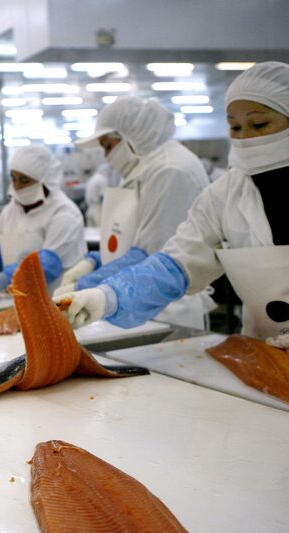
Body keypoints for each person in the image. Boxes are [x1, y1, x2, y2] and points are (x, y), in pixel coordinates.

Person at [54, 62, 289, 346]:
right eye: (235, 127)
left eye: (259, 124)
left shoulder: (171, 170)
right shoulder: (225, 194)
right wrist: (108, 297)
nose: (244, 138)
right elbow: (176, 263)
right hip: (265, 345)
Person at [54, 95, 210, 328]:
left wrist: (86, 284)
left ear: (134, 135)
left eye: (108, 146)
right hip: (132, 298)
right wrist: (95, 261)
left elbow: (155, 253)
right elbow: (133, 240)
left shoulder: (170, 170)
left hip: (168, 309)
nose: (107, 156)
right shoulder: (145, 169)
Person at [0, 145, 86, 295]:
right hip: (18, 298)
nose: (17, 186)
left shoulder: (64, 214)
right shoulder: (10, 211)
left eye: (24, 180)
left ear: (45, 180)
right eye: (13, 179)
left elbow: (46, 266)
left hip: (56, 300)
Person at [83, 161, 114, 227]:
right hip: (98, 208)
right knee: (100, 228)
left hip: (90, 208)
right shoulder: (103, 179)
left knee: (90, 231)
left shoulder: (93, 178)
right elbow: (104, 196)